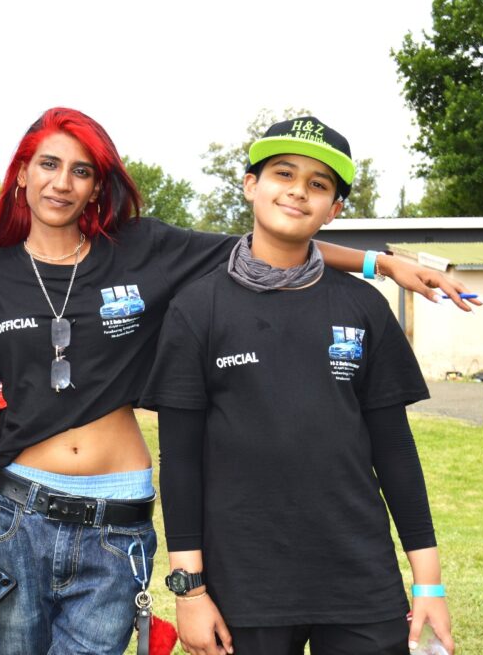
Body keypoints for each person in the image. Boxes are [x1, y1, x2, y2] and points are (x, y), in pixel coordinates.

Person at [0, 107, 472, 654]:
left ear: (97, 187)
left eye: (82, 170)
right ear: (21, 172)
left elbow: (266, 244)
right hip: (19, 513)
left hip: (118, 517)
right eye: (47, 164)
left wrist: (380, 265)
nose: (62, 183)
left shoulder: (140, 250)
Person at [142, 116, 457, 655]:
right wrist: (189, 590)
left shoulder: (363, 307)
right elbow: (181, 461)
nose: (297, 190)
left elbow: (396, 453)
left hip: (359, 580)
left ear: (334, 208)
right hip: (245, 583)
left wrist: (428, 582)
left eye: (319, 184)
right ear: (250, 185)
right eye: (283, 173)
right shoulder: (198, 308)